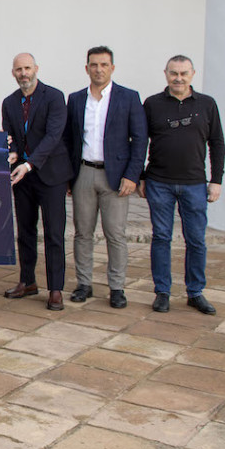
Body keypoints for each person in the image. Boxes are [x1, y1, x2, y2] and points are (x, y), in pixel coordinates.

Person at [139, 55, 225, 315]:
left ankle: (195, 292)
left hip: (194, 184)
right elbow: (140, 142)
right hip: (159, 182)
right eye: (173, 73)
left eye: (183, 73)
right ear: (165, 73)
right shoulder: (152, 104)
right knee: (161, 238)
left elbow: (217, 143)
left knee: (197, 240)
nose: (178, 78)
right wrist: (141, 176)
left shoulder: (207, 104)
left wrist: (216, 180)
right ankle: (162, 292)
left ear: (192, 74)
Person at [64, 46, 146, 309]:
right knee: (82, 233)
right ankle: (84, 284)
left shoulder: (129, 97)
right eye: (94, 65)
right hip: (84, 173)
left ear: (112, 67)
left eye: (104, 64)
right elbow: (69, 139)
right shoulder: (76, 99)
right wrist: (69, 177)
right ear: (86, 68)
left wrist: (133, 175)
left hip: (117, 176)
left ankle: (117, 287)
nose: (99, 69)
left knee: (115, 234)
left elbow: (140, 139)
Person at [2, 53, 71, 311]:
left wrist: (29, 164)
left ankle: (55, 289)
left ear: (36, 69)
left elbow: (54, 136)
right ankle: (27, 281)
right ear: (13, 73)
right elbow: (13, 138)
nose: (23, 73)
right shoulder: (9, 102)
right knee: (25, 233)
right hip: (22, 179)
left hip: (50, 176)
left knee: (54, 234)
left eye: (27, 68)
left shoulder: (54, 97)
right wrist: (11, 153)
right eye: (18, 69)